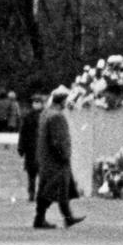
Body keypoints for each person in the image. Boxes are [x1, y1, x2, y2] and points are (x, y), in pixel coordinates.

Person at [34, 86, 85, 229]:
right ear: (61, 101)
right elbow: (58, 140)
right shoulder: (57, 116)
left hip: (47, 158)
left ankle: (68, 218)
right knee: (51, 190)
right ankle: (39, 219)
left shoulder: (46, 113)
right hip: (56, 160)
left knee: (62, 190)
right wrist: (64, 155)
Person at [18, 93, 44, 201]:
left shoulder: (45, 116)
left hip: (39, 148)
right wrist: (21, 147)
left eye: (38, 102)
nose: (36, 104)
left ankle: (38, 193)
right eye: (35, 102)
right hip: (32, 148)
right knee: (32, 173)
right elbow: (23, 133)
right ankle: (32, 192)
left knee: (39, 173)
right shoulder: (28, 116)